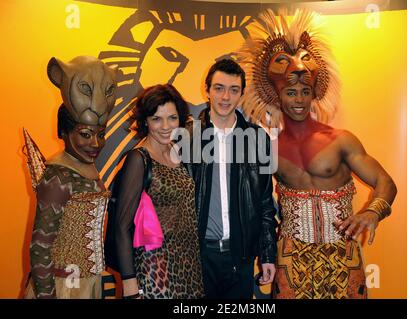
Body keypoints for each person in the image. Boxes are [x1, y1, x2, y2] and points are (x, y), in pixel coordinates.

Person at [236, 9, 397, 299]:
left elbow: (386, 182)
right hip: (291, 258)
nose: (298, 100)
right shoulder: (268, 147)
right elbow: (257, 203)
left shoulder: (341, 140)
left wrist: (374, 211)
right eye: (291, 92)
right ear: (277, 95)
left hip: (342, 256)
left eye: (304, 91)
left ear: (314, 93)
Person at [24, 55, 118, 298]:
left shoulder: (86, 171)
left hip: (89, 285)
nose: (95, 143)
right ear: (63, 132)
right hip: (66, 288)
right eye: (85, 134)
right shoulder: (58, 176)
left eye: (100, 134)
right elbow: (40, 246)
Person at [186, 59, 278, 298]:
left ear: (241, 94)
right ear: (206, 91)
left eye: (233, 90)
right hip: (198, 258)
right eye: (219, 88)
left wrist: (267, 255)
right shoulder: (188, 137)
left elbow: (266, 203)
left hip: (241, 258)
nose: (225, 97)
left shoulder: (257, 139)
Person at [105, 84, 204, 299]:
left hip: (189, 268)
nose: (166, 126)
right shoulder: (138, 159)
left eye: (172, 118)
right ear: (145, 122)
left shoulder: (179, 154)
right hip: (154, 271)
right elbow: (121, 226)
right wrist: (130, 282)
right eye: (156, 119)